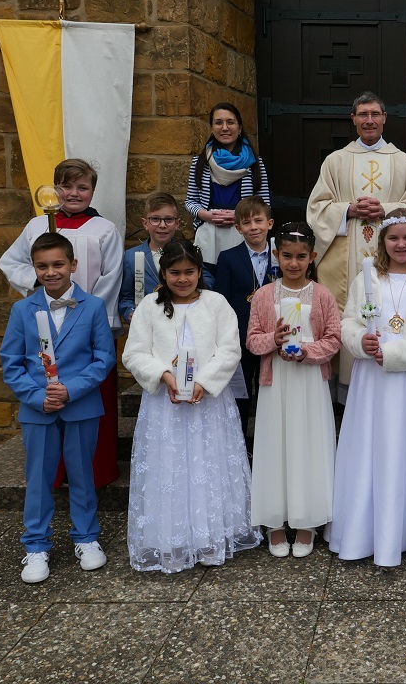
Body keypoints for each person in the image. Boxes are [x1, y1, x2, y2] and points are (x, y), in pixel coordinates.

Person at [122, 239, 261, 573]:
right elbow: (134, 352)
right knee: (170, 468)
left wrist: (205, 381)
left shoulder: (216, 303)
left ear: (200, 272)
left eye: (189, 272)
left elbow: (230, 349)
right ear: (163, 273)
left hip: (208, 403)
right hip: (165, 405)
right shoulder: (150, 306)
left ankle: (209, 537)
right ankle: (173, 540)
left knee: (206, 465)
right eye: (175, 272)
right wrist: (163, 375)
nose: (182, 279)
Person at [329, 209, 406, 568]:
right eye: (393, 238)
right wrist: (360, 341)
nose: (401, 244)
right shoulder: (367, 277)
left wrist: (395, 354)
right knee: (375, 449)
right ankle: (367, 533)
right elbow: (348, 321)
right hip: (374, 381)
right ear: (382, 241)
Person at [0, 158, 123, 488]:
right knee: (47, 396)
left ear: (93, 191)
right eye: (66, 186)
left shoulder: (104, 229)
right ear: (55, 190)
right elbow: (11, 263)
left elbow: (112, 276)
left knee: (88, 401)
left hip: (86, 330)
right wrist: (37, 283)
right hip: (43, 324)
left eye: (83, 187)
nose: (74, 193)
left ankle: (94, 472)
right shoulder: (37, 226)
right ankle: (52, 473)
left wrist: (88, 317)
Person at [0, 233, 115, 584]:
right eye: (42, 266)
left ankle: (86, 537)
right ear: (34, 268)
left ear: (73, 265)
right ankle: (36, 544)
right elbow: (11, 363)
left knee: (82, 474)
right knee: (38, 478)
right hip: (39, 408)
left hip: (81, 406)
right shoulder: (22, 310)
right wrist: (38, 397)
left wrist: (71, 390)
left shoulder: (93, 307)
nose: (51, 272)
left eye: (58, 264)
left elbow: (104, 358)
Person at [307, 91, 406, 396]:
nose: (369, 120)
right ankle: (345, 393)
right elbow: (316, 208)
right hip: (345, 259)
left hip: (392, 258)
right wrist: (348, 210)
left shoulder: (402, 161)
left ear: (384, 118)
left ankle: (392, 375)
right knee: (348, 316)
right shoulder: (335, 161)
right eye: (363, 114)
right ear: (353, 119)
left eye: (375, 114)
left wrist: (386, 209)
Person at [246, 222, 341, 559]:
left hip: (309, 380)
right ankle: (274, 521)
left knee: (307, 445)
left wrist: (307, 352)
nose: (294, 263)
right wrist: (273, 339)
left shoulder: (323, 295)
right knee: (276, 445)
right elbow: (252, 339)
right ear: (276, 255)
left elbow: (334, 338)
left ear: (312, 257)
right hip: (277, 380)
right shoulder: (264, 295)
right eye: (287, 256)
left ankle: (307, 519)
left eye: (301, 256)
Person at [214, 196, 275, 435]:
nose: (253, 227)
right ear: (238, 228)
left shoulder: (281, 256)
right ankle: (240, 444)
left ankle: (266, 443)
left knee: (269, 394)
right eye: (246, 223)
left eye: (258, 221)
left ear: (269, 223)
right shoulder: (228, 258)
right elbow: (223, 301)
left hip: (272, 338)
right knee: (240, 395)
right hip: (240, 338)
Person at [185, 102, 271, 267]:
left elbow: (264, 204)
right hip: (209, 235)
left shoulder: (254, 163)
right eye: (218, 122)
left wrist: (240, 216)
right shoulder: (200, 162)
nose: (224, 128)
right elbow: (190, 201)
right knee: (208, 277)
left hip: (242, 232)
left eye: (230, 122)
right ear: (212, 128)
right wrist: (206, 215)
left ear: (239, 128)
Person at [119, 193, 201, 325]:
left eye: (169, 219)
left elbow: (206, 281)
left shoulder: (188, 252)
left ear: (177, 223)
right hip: (148, 322)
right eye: (155, 219)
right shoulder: (130, 257)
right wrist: (131, 313)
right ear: (145, 223)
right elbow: (126, 297)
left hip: (183, 319)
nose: (162, 225)